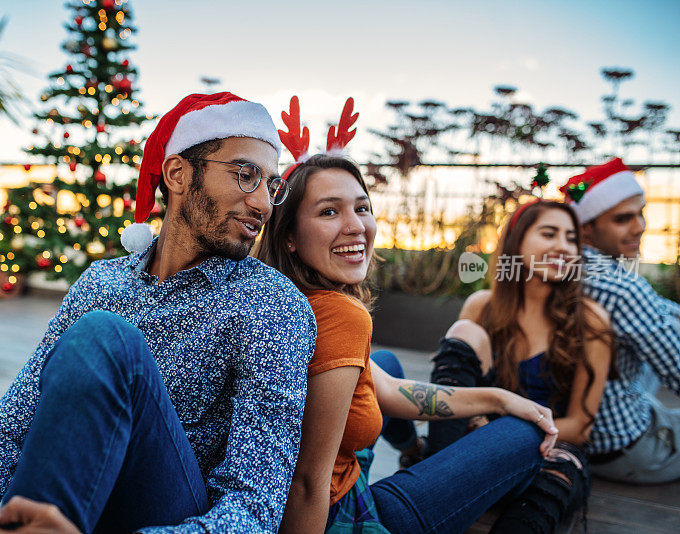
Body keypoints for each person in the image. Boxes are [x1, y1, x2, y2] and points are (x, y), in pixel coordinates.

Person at [0, 92, 317, 533]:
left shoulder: (272, 304)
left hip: (171, 514)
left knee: (106, 337)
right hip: (66, 499)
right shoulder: (100, 282)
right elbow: (8, 432)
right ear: (177, 174)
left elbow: (254, 505)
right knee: (98, 335)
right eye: (246, 175)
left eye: (271, 184)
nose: (264, 204)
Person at [254, 96, 559, 534]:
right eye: (328, 211)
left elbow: (392, 390)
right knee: (524, 435)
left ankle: (419, 452)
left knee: (387, 367)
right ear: (290, 238)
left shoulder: (285, 297)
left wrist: (498, 396)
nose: (356, 225)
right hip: (349, 514)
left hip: (335, 480)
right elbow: (306, 483)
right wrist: (508, 408)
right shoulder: (340, 314)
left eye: (361, 207)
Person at [427, 199, 613, 532]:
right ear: (517, 242)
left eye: (571, 238)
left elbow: (581, 425)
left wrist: (513, 437)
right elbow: (456, 389)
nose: (563, 246)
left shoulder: (590, 321)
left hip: (549, 451)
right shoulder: (482, 307)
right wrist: (483, 431)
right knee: (463, 332)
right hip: (474, 441)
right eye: (549, 233)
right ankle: (434, 487)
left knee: (543, 497)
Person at [559, 158, 680, 484]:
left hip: (579, 427)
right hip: (626, 447)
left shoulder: (563, 266)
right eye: (623, 218)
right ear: (585, 227)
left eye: (641, 212)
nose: (640, 226)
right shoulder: (624, 288)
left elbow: (655, 308)